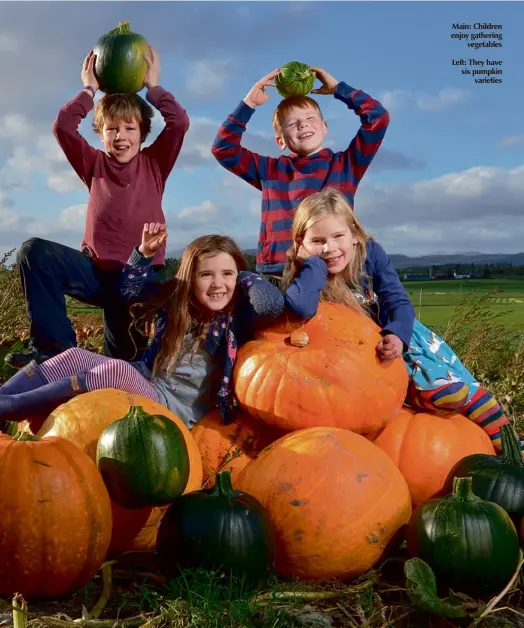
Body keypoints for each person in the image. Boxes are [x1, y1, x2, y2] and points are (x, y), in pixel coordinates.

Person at [281, 188, 518, 454]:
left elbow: (398, 302)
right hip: (351, 359)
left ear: (356, 235)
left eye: (338, 236)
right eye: (318, 241)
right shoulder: (307, 272)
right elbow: (299, 306)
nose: (329, 248)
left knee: (456, 390)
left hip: (393, 340)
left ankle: (511, 449)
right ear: (301, 242)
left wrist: (397, 335)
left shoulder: (371, 255)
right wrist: (311, 264)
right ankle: (418, 396)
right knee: (382, 399)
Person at [6, 46, 190, 370]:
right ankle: (54, 352)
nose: (120, 136)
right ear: (101, 134)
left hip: (139, 278)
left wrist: (153, 87)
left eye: (129, 128)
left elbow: (179, 123)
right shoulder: (94, 164)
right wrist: (88, 89)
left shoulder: (155, 163)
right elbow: (63, 127)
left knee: (123, 362)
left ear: (143, 134)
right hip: (93, 273)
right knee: (33, 252)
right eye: (111, 129)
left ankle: (129, 368)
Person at [0, 224, 284, 429]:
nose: (218, 284)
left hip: (174, 412)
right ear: (189, 278)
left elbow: (270, 304)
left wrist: (248, 277)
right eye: (206, 274)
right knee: (74, 356)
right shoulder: (177, 304)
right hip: (149, 382)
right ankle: (4, 398)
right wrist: (143, 254)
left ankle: (13, 408)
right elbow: (127, 292)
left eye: (227, 273)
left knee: (117, 369)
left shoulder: (235, 318)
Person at [211, 66, 390, 277]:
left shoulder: (346, 165)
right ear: (280, 141)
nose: (303, 125)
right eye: (292, 124)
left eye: (309, 118)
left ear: (325, 126)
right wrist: (249, 103)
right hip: (279, 270)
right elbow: (223, 148)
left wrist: (337, 89)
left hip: (330, 270)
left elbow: (378, 118)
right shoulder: (269, 170)